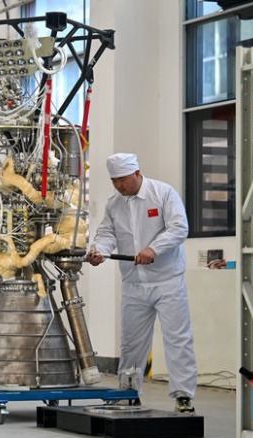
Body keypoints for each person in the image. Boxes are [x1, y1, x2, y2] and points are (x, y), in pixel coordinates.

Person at [85, 152, 198, 414]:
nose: (118, 185)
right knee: (131, 342)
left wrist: (153, 249)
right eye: (114, 181)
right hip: (134, 283)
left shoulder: (163, 194)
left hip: (168, 281)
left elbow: (179, 228)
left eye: (123, 180)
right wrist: (100, 250)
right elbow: (107, 233)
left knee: (177, 339)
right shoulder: (115, 204)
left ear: (137, 173)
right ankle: (129, 392)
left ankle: (183, 396)